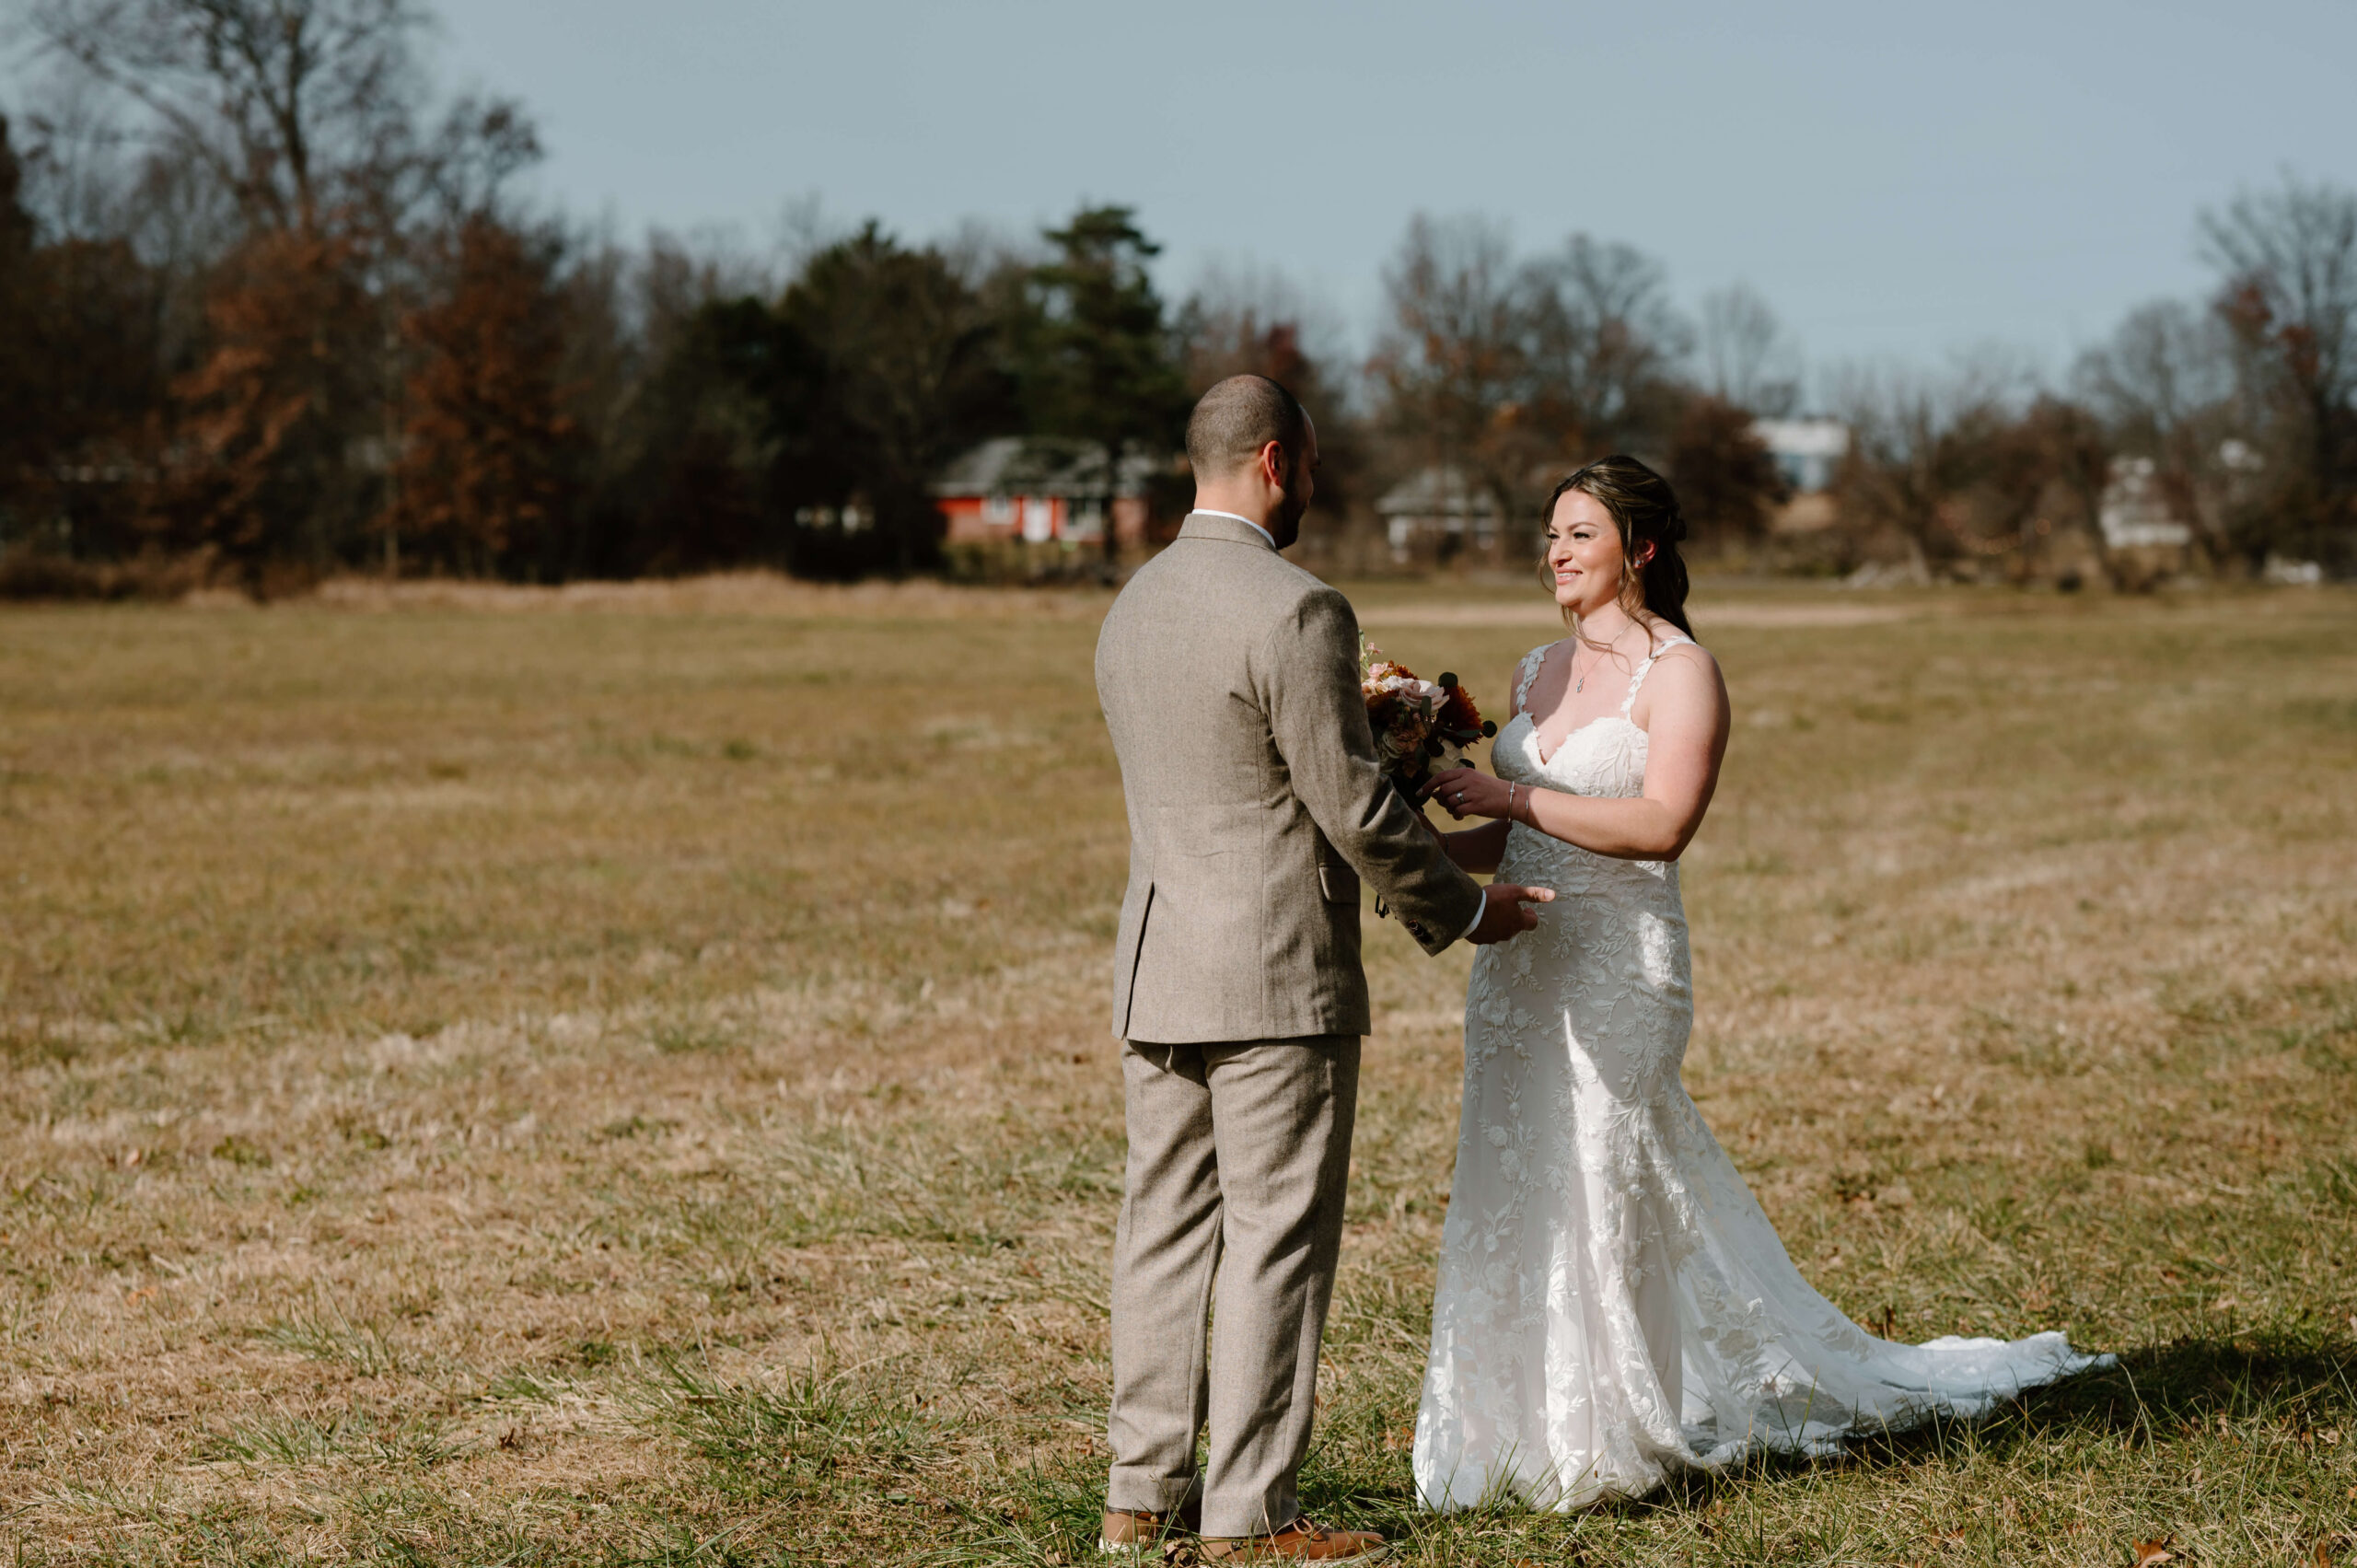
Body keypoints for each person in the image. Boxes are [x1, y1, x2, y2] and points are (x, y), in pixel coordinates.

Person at [1411, 455, 2109, 1511]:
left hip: (1620, 966)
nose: (1554, 551)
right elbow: (1514, 848)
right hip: (1520, 970)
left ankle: (1613, 1434)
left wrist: (1508, 794)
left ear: (1638, 548)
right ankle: (1516, 1425)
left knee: (1605, 1171)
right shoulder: (1528, 672)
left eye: (1580, 533)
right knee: (1522, 1175)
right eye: (1549, 532)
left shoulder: (1680, 671)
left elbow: (1658, 824)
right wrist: (1404, 854)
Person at [1092, 375, 1554, 1562]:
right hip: (1273, 976)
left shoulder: (1130, 605)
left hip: (1158, 962)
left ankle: (1138, 1494)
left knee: (1159, 1230)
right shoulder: (1298, 609)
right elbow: (1347, 804)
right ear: (1275, 462)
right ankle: (1250, 1518)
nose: (1319, 484)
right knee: (1275, 1234)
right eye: (1314, 462)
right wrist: (1462, 909)